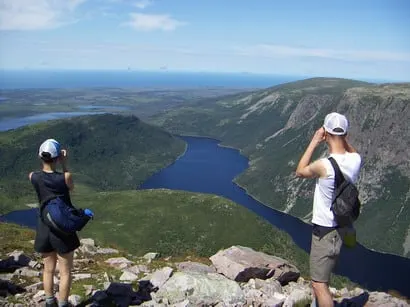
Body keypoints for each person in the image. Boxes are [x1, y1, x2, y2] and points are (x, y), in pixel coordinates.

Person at [295, 113, 361, 307]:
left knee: (318, 284)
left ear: (326, 133)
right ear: (345, 134)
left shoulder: (324, 165)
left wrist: (315, 141)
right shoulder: (355, 159)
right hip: (341, 228)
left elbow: (300, 171)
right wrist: (343, 140)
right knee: (325, 275)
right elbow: (351, 152)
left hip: (325, 232)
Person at [29, 139, 80, 307]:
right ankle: (63, 304)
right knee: (65, 272)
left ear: (40, 157)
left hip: (44, 227)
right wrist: (65, 163)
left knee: (48, 269)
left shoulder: (33, 177)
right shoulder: (65, 177)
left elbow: (37, 176)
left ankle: (50, 303)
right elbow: (70, 186)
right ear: (58, 157)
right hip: (63, 229)